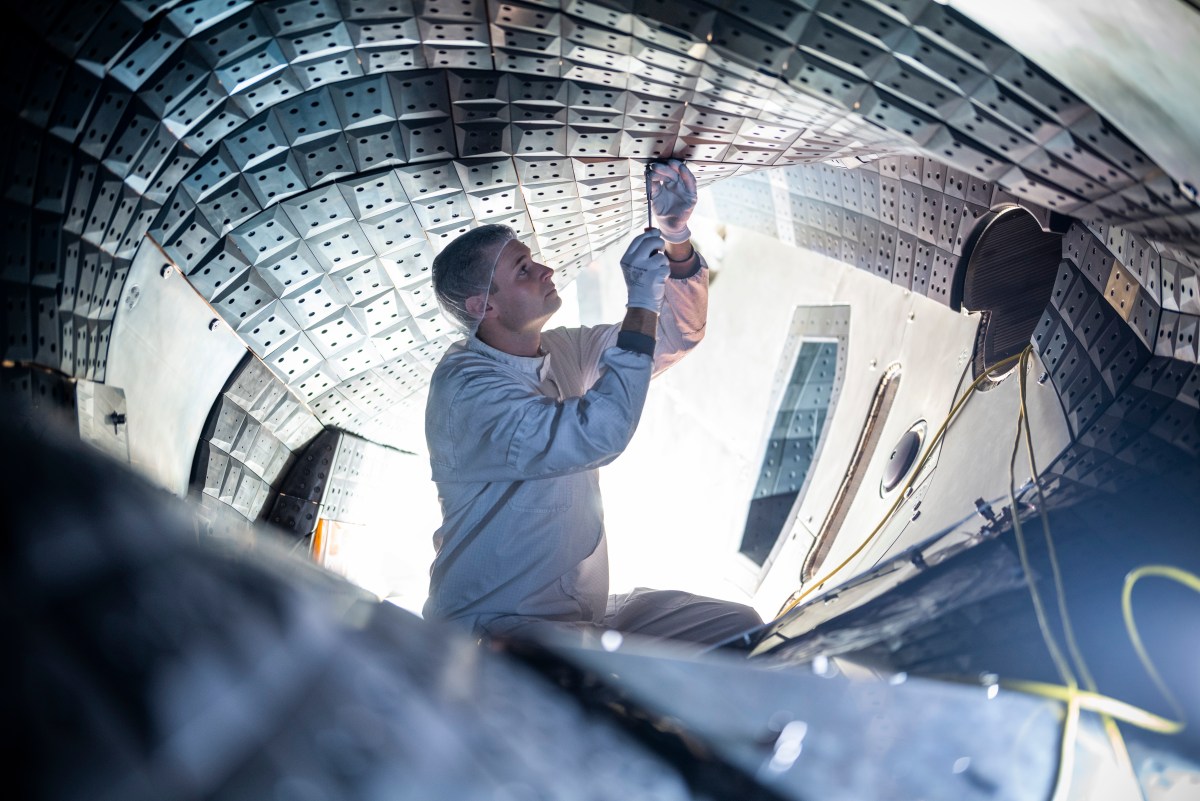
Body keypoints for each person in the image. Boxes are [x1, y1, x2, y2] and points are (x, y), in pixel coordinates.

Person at [423, 159, 762, 646]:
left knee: (739, 628)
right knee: (607, 682)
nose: (546, 269)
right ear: (484, 306)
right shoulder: (466, 392)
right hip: (498, 631)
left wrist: (677, 238)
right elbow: (597, 433)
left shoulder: (560, 350)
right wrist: (640, 301)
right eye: (524, 270)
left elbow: (673, 335)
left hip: (583, 613)